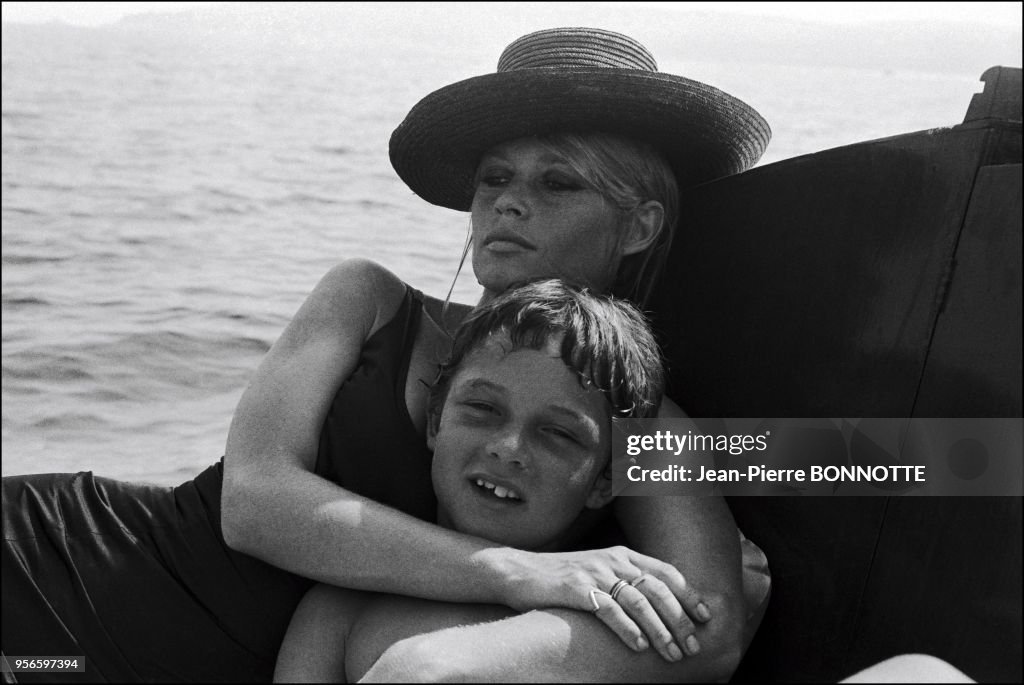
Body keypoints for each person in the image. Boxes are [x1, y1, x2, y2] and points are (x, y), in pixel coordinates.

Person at [2, 27, 771, 682]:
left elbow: (710, 626)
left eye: (557, 181)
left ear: (638, 226)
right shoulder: (367, 299)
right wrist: (513, 573)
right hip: (64, 572)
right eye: (495, 177)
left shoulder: (637, 417)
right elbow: (255, 501)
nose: (506, 201)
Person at [274, 278, 669, 682]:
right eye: (483, 407)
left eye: (558, 433)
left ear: (606, 480)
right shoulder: (338, 613)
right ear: (434, 421)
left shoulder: (621, 621)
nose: (508, 448)